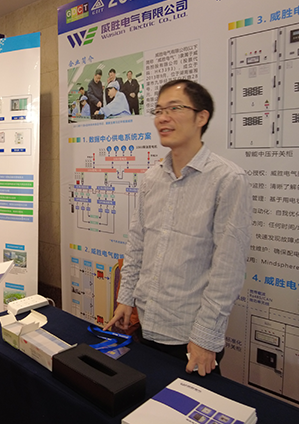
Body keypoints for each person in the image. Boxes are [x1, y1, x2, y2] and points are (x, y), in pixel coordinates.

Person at [105, 79, 252, 377]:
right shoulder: (151, 179)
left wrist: (205, 338)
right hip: (146, 324)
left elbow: (228, 269)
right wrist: (126, 299)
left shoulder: (227, 179)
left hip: (190, 337)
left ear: (201, 117)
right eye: (159, 110)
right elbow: (137, 245)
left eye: (174, 108)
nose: (163, 118)